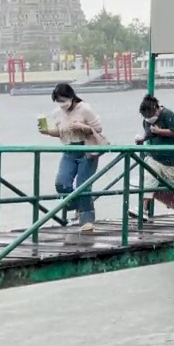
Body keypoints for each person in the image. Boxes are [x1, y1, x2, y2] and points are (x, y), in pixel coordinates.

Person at [39, 83, 106, 238]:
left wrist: (82, 127)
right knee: (62, 183)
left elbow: (98, 129)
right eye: (58, 101)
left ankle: (87, 220)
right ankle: (78, 206)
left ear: (71, 97)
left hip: (86, 149)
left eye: (63, 100)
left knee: (83, 186)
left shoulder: (84, 109)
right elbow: (62, 133)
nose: (62, 104)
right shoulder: (58, 113)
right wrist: (47, 132)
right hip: (69, 150)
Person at [136, 95, 174, 217]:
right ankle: (143, 209)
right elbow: (149, 133)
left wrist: (160, 131)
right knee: (149, 179)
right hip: (155, 157)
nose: (149, 119)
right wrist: (143, 139)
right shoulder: (146, 121)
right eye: (145, 117)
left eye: (150, 116)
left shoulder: (168, 115)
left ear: (156, 109)